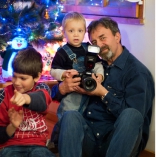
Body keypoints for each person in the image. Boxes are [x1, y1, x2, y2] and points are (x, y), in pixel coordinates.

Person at [56, 17, 154, 157]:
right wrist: (62, 88)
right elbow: (57, 94)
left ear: (117, 36)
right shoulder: (95, 66)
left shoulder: (137, 73)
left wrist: (102, 93)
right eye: (94, 42)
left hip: (116, 142)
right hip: (89, 138)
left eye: (103, 38)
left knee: (132, 114)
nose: (100, 46)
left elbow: (133, 122)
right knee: (71, 116)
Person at [0, 47, 56, 157]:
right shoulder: (2, 95)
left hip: (37, 145)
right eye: (14, 76)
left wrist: (25, 98)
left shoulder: (42, 89)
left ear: (37, 77)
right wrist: (12, 126)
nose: (17, 82)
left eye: (23, 78)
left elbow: (42, 101)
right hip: (9, 146)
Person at [50, 12, 104, 118]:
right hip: (72, 93)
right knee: (68, 116)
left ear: (84, 32)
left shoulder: (89, 48)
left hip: (89, 88)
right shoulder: (62, 52)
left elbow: (98, 64)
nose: (76, 34)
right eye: (71, 31)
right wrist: (64, 73)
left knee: (88, 115)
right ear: (64, 33)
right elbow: (53, 71)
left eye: (80, 31)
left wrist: (100, 75)